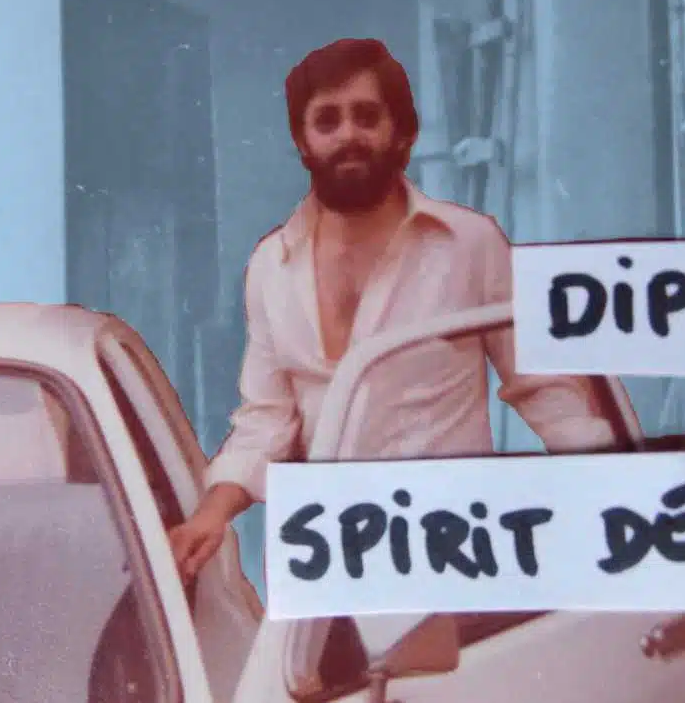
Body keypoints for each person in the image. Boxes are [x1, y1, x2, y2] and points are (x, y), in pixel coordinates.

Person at [169, 37, 643, 582]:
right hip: (330, 564)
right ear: (302, 141)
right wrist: (212, 514)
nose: (348, 135)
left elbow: (544, 389)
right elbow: (267, 419)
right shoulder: (271, 266)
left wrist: (622, 494)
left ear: (402, 133)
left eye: (367, 116)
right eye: (327, 121)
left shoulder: (469, 243)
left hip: (452, 555)